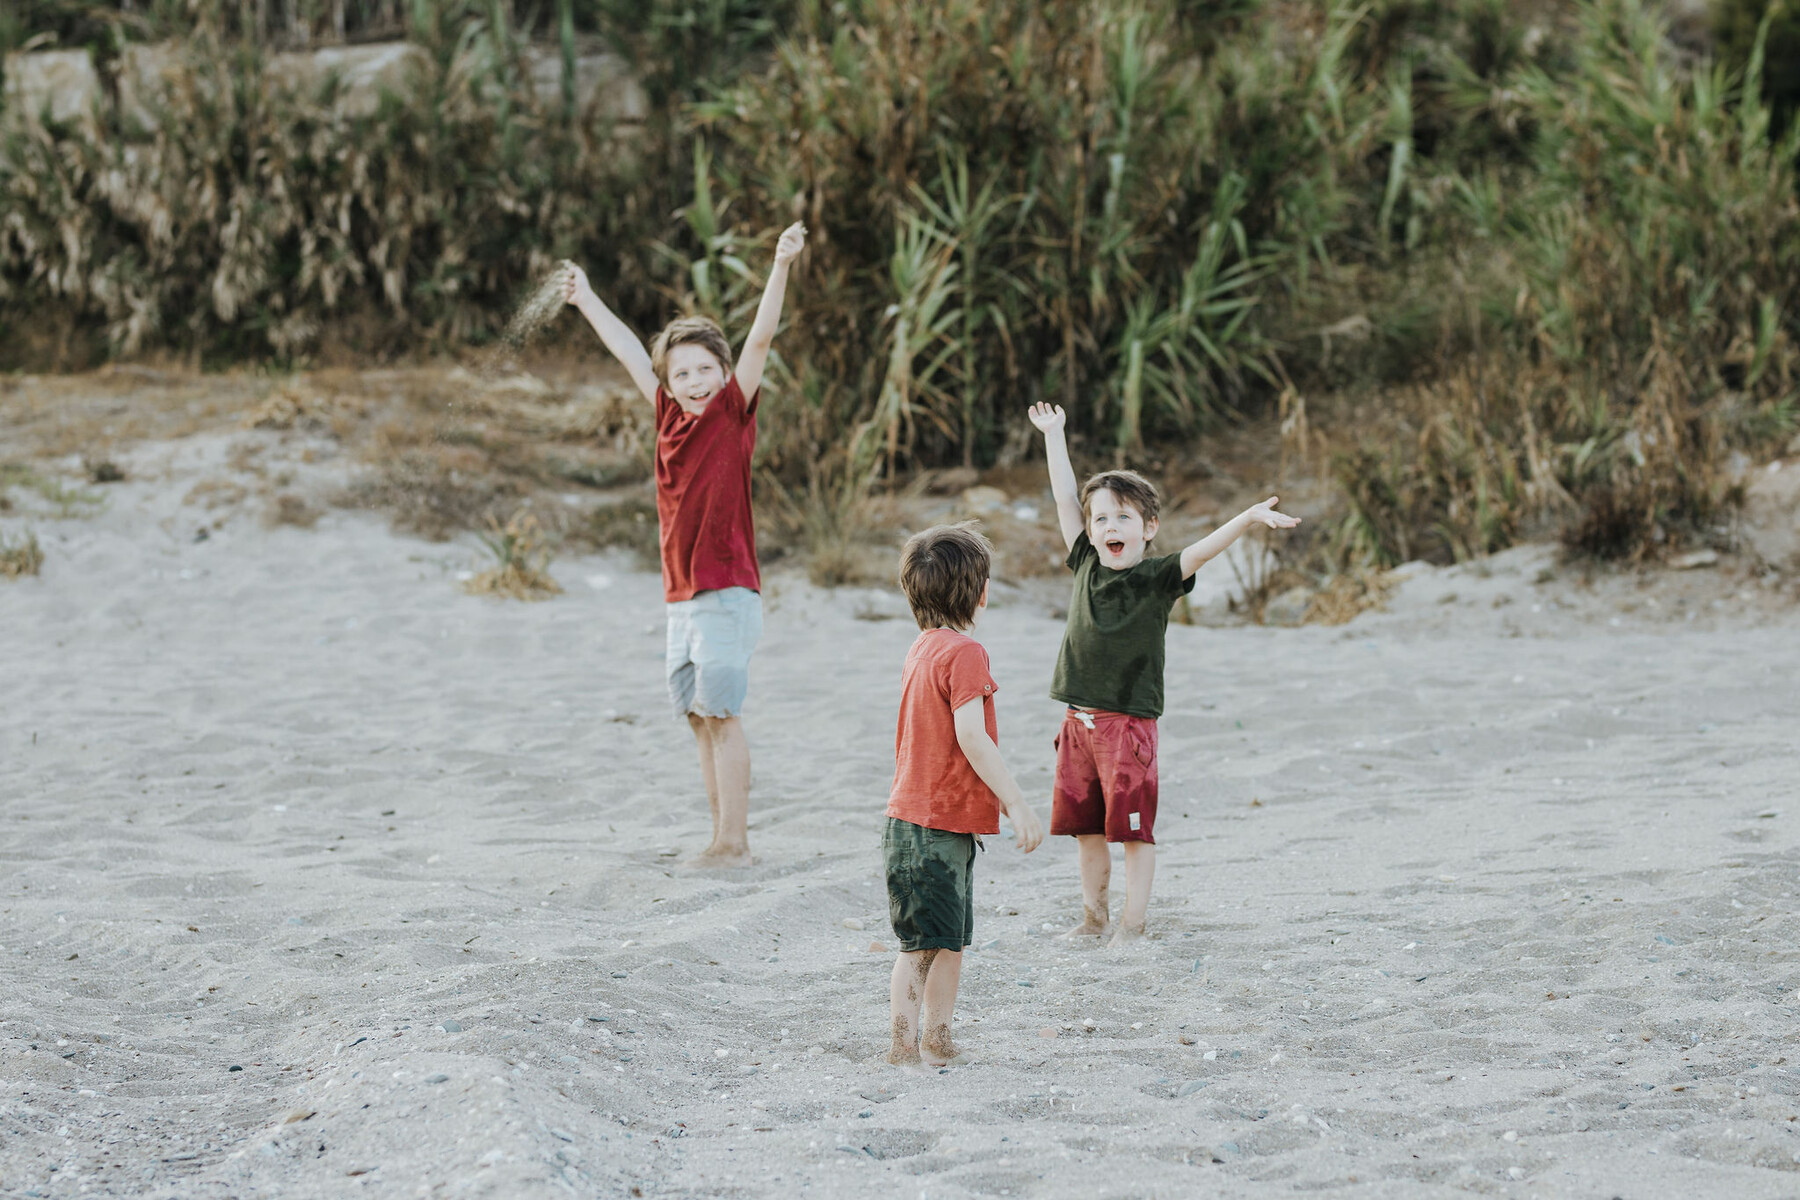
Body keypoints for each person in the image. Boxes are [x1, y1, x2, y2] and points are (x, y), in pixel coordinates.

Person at [564, 222, 807, 868]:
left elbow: (761, 336)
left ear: (724, 375)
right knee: (699, 717)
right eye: (683, 373)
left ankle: (736, 842)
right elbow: (625, 350)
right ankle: (718, 836)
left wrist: (779, 265)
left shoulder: (731, 412)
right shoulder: (668, 414)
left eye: (706, 370)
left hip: (726, 590)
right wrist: (586, 297)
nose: (696, 381)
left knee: (721, 714)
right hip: (682, 598)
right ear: (667, 383)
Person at [1027, 401, 1300, 946]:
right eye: (1101, 518)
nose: (1110, 526)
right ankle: (1092, 918)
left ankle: (1132, 925)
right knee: (1085, 831)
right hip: (1076, 723)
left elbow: (1202, 551)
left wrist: (1247, 519)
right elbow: (1064, 497)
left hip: (1128, 728)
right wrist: (1054, 435)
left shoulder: (1157, 577)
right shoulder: (1083, 558)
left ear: (1149, 528)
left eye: (1123, 517)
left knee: (1131, 833)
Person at [884, 523, 1044, 1065]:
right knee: (924, 946)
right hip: (934, 825)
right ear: (980, 591)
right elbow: (970, 736)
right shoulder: (966, 652)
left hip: (916, 821)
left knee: (946, 940)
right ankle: (903, 1048)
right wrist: (1016, 802)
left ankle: (937, 1038)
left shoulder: (920, 649)